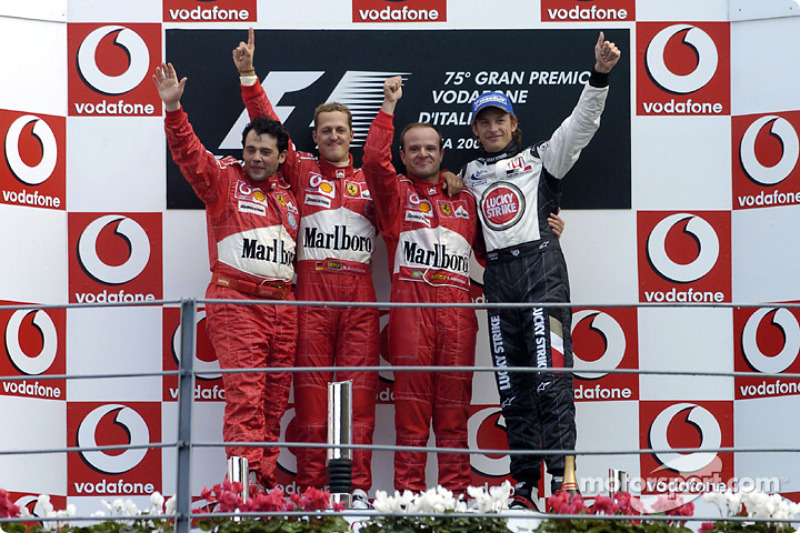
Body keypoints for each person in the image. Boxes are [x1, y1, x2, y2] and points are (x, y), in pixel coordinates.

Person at [459, 32, 621, 510]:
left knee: (551, 379)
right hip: (498, 281)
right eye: (483, 121)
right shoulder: (466, 175)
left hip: (540, 273)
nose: (492, 127)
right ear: (474, 129)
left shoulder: (539, 158)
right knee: (513, 387)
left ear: (514, 124)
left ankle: (565, 482)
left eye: (500, 119)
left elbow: (582, 125)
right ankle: (524, 486)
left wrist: (600, 75)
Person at [231, 28, 379, 506]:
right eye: (325, 131)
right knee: (312, 401)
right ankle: (315, 491)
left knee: (358, 400)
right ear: (313, 137)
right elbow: (267, 125)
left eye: (341, 129)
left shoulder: (374, 179)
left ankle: (354, 490)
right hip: (310, 292)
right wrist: (250, 77)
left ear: (351, 134)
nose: (333, 136)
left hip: (358, 294)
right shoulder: (299, 170)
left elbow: (415, 195)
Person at [153, 61, 300, 490]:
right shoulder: (224, 181)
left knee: (273, 402)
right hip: (236, 300)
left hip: (285, 305)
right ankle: (240, 492)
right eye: (251, 148)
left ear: (281, 157)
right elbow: (189, 155)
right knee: (246, 397)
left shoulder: (293, 194)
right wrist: (174, 110)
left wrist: (251, 80)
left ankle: (265, 489)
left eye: (265, 152)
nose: (256, 157)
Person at [361, 76, 484, 495]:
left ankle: (457, 499)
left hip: (457, 317)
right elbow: (373, 164)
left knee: (453, 417)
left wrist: (547, 229)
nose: (423, 154)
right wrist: (388, 108)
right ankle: (407, 501)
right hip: (411, 316)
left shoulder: (466, 197)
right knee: (411, 419)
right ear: (403, 154)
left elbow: (498, 246)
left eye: (430, 147)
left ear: (442, 153)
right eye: (414, 148)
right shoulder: (393, 195)